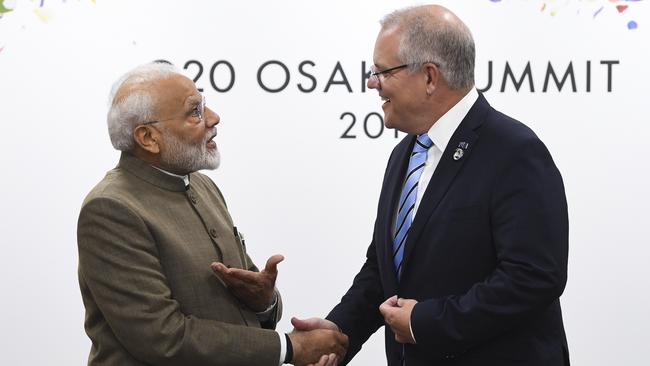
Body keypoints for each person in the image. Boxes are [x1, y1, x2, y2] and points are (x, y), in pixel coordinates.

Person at [292, 4, 570, 366]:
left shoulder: (515, 151)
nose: (372, 83)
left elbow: (533, 278)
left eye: (382, 72)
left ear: (429, 77)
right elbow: (385, 269)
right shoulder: (405, 153)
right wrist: (337, 333)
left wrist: (425, 322)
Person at [77, 62, 347, 366]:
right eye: (195, 111)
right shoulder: (111, 209)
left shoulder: (203, 186)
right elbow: (162, 337)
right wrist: (288, 348)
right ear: (148, 138)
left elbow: (242, 306)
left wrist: (263, 302)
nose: (213, 118)